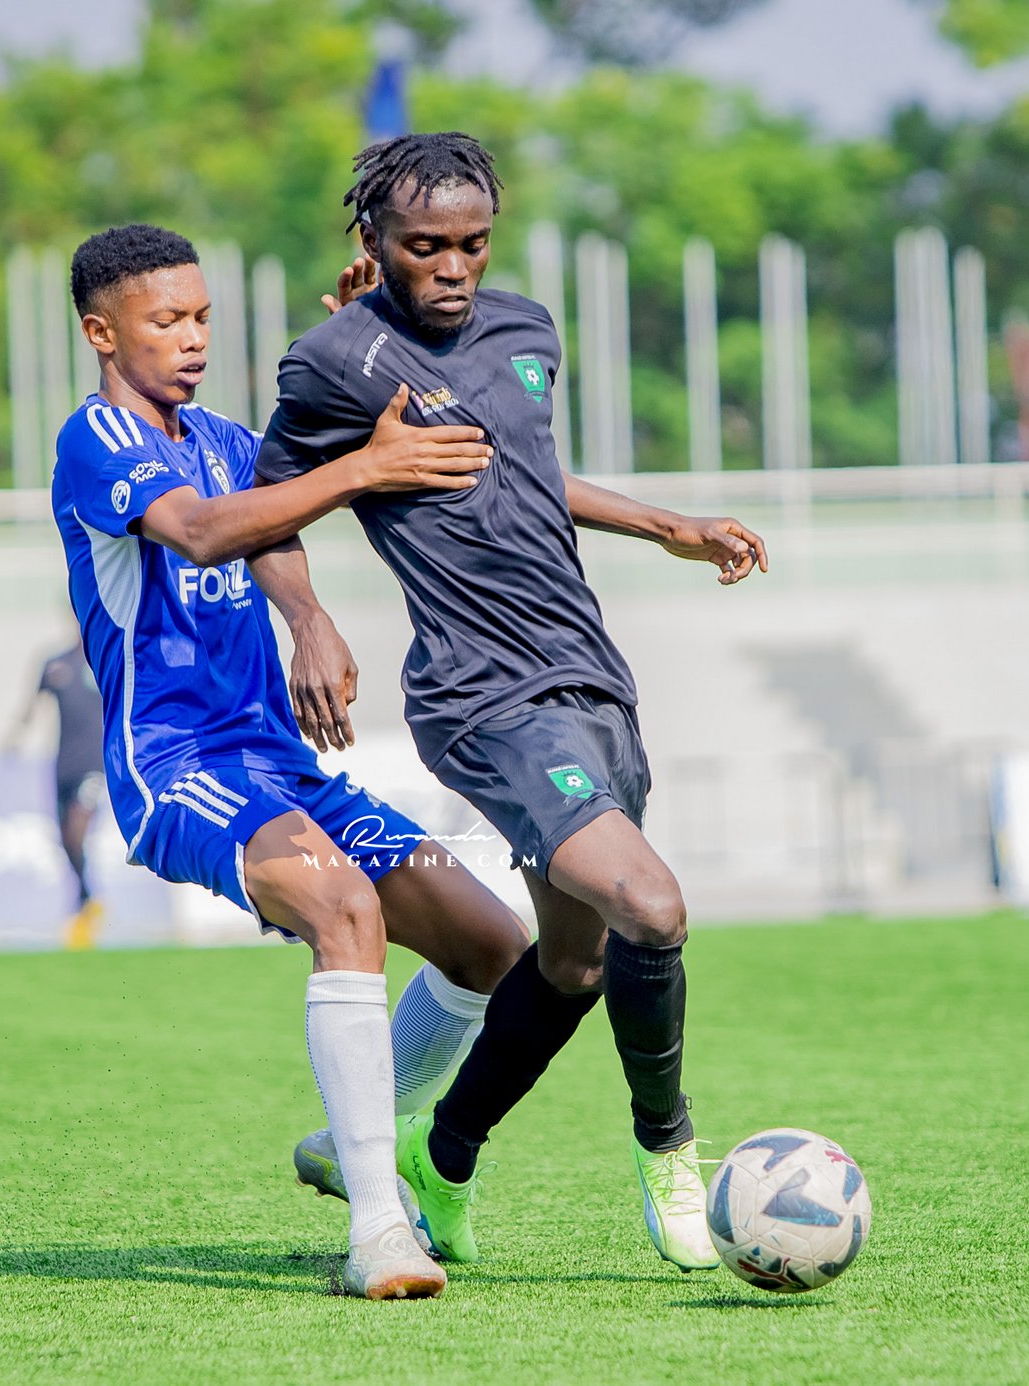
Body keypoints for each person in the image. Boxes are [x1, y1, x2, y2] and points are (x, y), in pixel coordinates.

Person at [253, 133, 770, 1273]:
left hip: (590, 677)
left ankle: (439, 1159)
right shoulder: (333, 361)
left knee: (575, 963)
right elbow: (270, 505)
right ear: (373, 239)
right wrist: (310, 621)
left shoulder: (528, 330)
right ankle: (669, 1150)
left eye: (472, 243)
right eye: (423, 246)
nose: (452, 267)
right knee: (651, 906)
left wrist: (667, 525)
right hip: (481, 695)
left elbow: (525, 472)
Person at [51, 223, 532, 1299]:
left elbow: (275, 519)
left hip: (279, 762)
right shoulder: (96, 439)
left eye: (202, 317)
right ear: (101, 332)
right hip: (177, 765)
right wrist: (361, 467)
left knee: (490, 944)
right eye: (165, 321)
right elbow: (204, 531)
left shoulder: (227, 438)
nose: (192, 338)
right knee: (344, 908)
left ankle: (345, 1138)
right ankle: (379, 1230)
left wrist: (309, 617)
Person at [3, 625, 108, 948]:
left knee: (77, 831)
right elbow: (32, 706)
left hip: (94, 765)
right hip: (63, 765)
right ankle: (85, 899)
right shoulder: (55, 664)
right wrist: (15, 738)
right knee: (64, 840)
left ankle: (86, 903)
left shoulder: (104, 661)